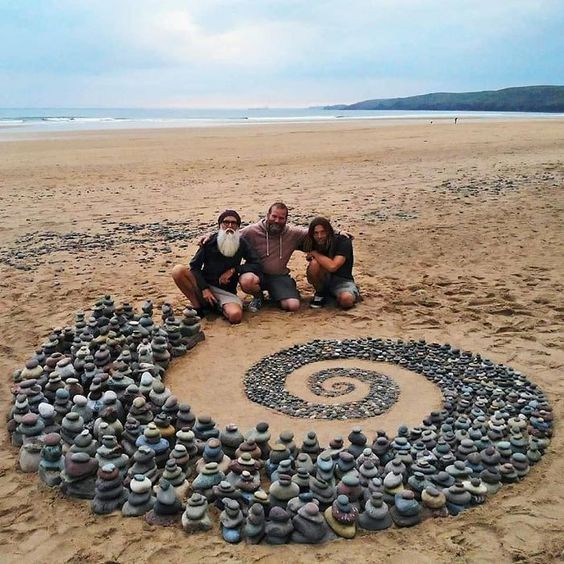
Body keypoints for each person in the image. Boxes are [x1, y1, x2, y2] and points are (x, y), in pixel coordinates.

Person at [171, 210, 262, 324]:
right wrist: (204, 288)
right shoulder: (209, 241)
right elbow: (195, 267)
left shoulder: (241, 243)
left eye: (233, 223)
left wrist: (234, 270)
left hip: (226, 292)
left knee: (235, 316)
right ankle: (198, 307)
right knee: (178, 270)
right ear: (220, 225)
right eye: (226, 222)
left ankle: (216, 307)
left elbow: (256, 263)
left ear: (238, 227)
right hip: (204, 286)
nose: (229, 226)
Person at [238, 202, 308, 312]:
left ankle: (280, 293)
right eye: (274, 216)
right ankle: (258, 297)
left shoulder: (293, 233)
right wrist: (209, 236)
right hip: (257, 274)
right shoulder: (251, 231)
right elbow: (230, 235)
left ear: (286, 219)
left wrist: (339, 232)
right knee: (247, 281)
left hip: (279, 276)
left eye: (281, 218)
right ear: (267, 215)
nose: (277, 221)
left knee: (292, 306)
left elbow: (316, 231)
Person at [303, 216, 360, 310]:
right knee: (314, 264)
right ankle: (320, 293)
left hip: (342, 280)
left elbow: (333, 266)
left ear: (329, 231)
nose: (319, 236)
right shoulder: (310, 240)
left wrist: (314, 252)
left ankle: (351, 292)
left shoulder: (343, 241)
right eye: (316, 233)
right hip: (323, 279)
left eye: (323, 232)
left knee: (346, 300)